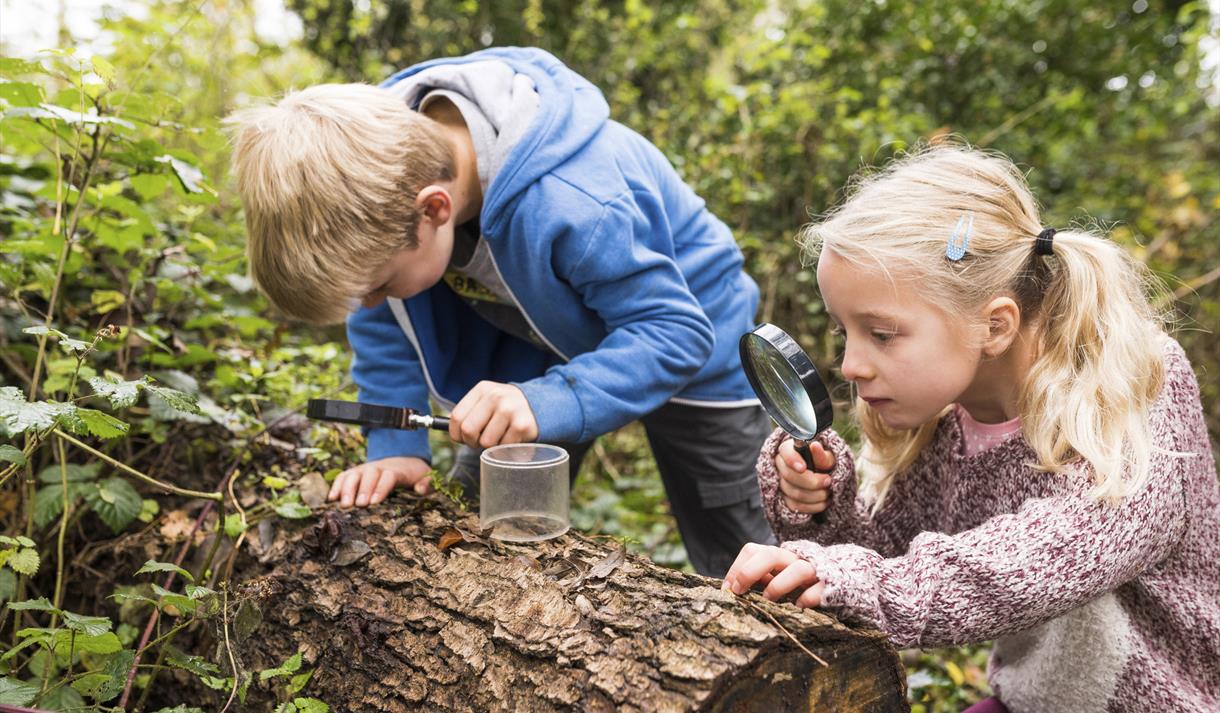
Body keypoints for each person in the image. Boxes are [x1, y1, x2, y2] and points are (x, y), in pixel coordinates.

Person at [227, 47, 774, 577]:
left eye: (379, 286)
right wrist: (395, 447)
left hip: (689, 331)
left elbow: (676, 333)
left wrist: (546, 401)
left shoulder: (571, 201)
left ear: (434, 209)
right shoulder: (378, 178)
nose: (370, 305)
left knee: (736, 539)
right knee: (479, 522)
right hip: (544, 342)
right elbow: (386, 324)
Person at [721, 145, 1220, 711]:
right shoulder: (946, 425)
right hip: (1039, 699)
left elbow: (1052, 553)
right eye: (843, 332)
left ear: (995, 325)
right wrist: (819, 509)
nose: (851, 365)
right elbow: (877, 558)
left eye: (881, 334)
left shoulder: (1136, 381)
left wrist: (858, 581)